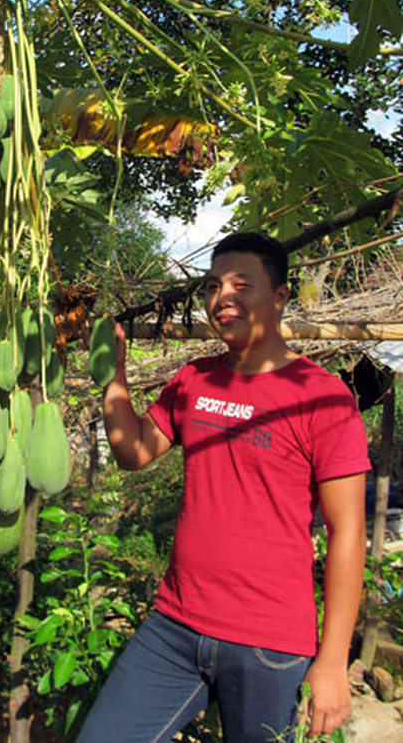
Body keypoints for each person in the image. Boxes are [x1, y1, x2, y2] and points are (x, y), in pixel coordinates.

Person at [76, 232, 370, 743]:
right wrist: (114, 374)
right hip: (175, 625)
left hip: (270, 644)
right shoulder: (195, 380)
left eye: (241, 284)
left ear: (279, 296)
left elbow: (347, 533)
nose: (221, 297)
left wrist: (333, 662)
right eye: (212, 286)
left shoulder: (323, 398)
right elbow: (135, 452)